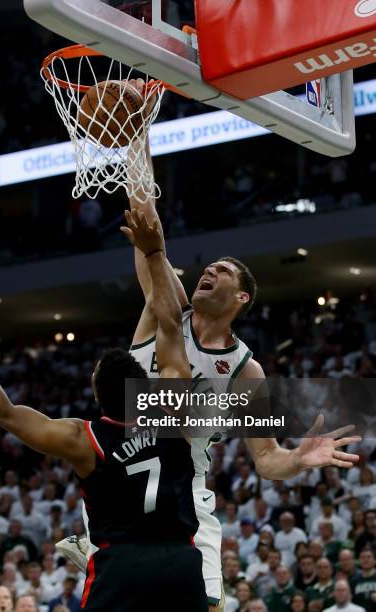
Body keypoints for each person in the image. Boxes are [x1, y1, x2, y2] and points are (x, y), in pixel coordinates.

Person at [59, 122, 362, 611]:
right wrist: (137, 138)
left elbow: (266, 461)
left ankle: (102, 553)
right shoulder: (166, 308)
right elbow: (147, 224)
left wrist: (300, 460)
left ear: (240, 297)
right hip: (119, 475)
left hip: (183, 489)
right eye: (209, 266)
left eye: (223, 271)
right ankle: (99, 551)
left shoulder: (247, 371)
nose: (210, 270)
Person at [0, 208, 207, 611]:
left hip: (122, 564)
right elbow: (169, 327)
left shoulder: (83, 438)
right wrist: (154, 253)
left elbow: (3, 412)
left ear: (97, 393)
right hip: (180, 561)